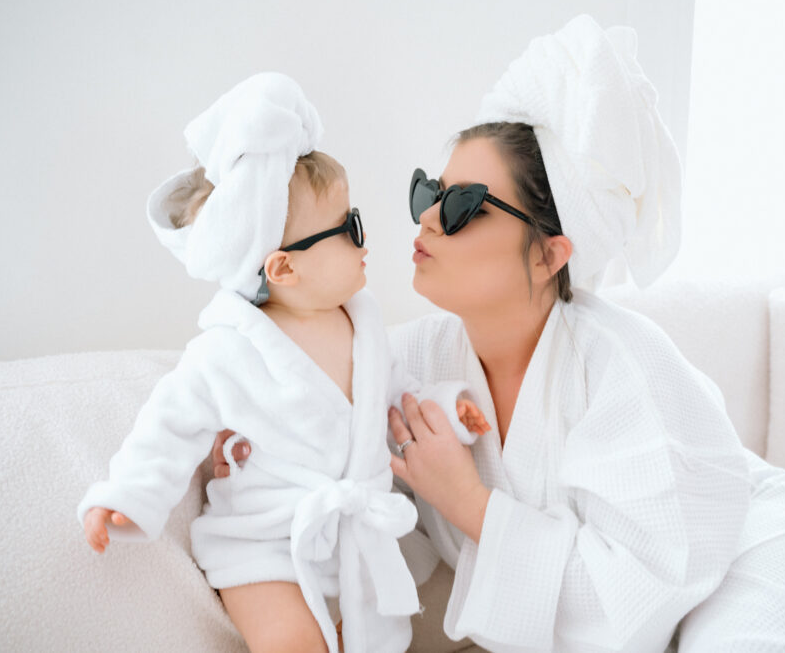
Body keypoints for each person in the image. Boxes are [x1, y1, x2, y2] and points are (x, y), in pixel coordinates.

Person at [215, 17, 785, 652]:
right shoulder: (415, 358)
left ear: (550, 255)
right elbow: (322, 440)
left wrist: (468, 502)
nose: (426, 219)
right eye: (429, 192)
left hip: (765, 561)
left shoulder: (622, 368)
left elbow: (630, 604)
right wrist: (248, 455)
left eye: (461, 206)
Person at [77, 73, 486, 653]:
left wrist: (450, 405)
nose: (364, 239)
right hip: (264, 546)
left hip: (350, 544)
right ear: (284, 269)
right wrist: (125, 495)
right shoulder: (228, 348)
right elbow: (168, 426)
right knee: (292, 641)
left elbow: (398, 398)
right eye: (348, 229)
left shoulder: (362, 325)